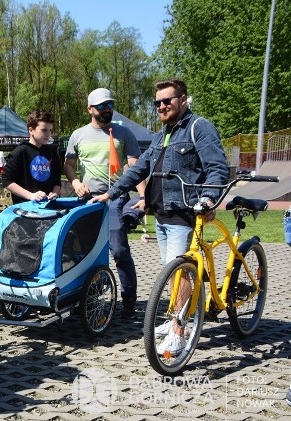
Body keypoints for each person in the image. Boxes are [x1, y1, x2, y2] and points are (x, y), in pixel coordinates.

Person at [91, 79, 229, 355]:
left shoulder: (198, 128)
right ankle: (174, 316)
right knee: (171, 269)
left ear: (183, 99)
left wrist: (208, 198)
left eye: (168, 100)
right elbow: (138, 169)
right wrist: (112, 193)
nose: (163, 106)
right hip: (161, 213)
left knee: (180, 273)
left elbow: (216, 168)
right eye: (158, 103)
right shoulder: (161, 135)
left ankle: (180, 329)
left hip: (185, 211)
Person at [63, 87, 147, 320]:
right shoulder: (78, 135)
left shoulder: (124, 133)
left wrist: (143, 196)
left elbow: (135, 167)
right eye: (102, 106)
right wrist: (76, 181)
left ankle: (129, 298)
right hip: (87, 199)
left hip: (115, 197)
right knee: (80, 250)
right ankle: (84, 296)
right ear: (90, 109)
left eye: (110, 105)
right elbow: (68, 165)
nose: (107, 109)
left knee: (119, 249)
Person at [1, 109, 61, 204]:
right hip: (25, 209)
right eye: (44, 130)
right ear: (31, 130)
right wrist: (31, 196)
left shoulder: (52, 152)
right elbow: (6, 180)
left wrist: (55, 193)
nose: (48, 134)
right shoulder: (21, 151)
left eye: (50, 130)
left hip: (48, 207)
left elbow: (57, 181)